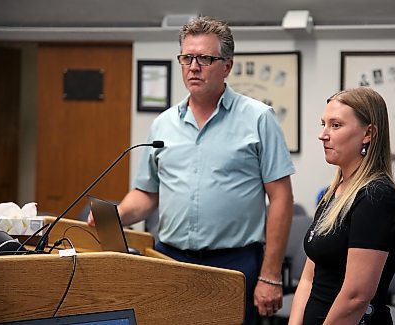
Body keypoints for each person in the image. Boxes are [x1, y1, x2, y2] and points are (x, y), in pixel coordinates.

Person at [88, 16, 295, 324]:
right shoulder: (164, 124)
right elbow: (147, 193)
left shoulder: (258, 119)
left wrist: (271, 274)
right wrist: (116, 216)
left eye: (205, 58)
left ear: (227, 66)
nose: (194, 66)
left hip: (234, 263)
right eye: (187, 58)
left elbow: (281, 199)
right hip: (170, 259)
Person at [289, 87, 395, 324]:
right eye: (323, 124)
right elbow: (309, 278)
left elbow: (356, 297)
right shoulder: (334, 192)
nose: (323, 135)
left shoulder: (376, 196)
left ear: (368, 133)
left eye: (336, 125)